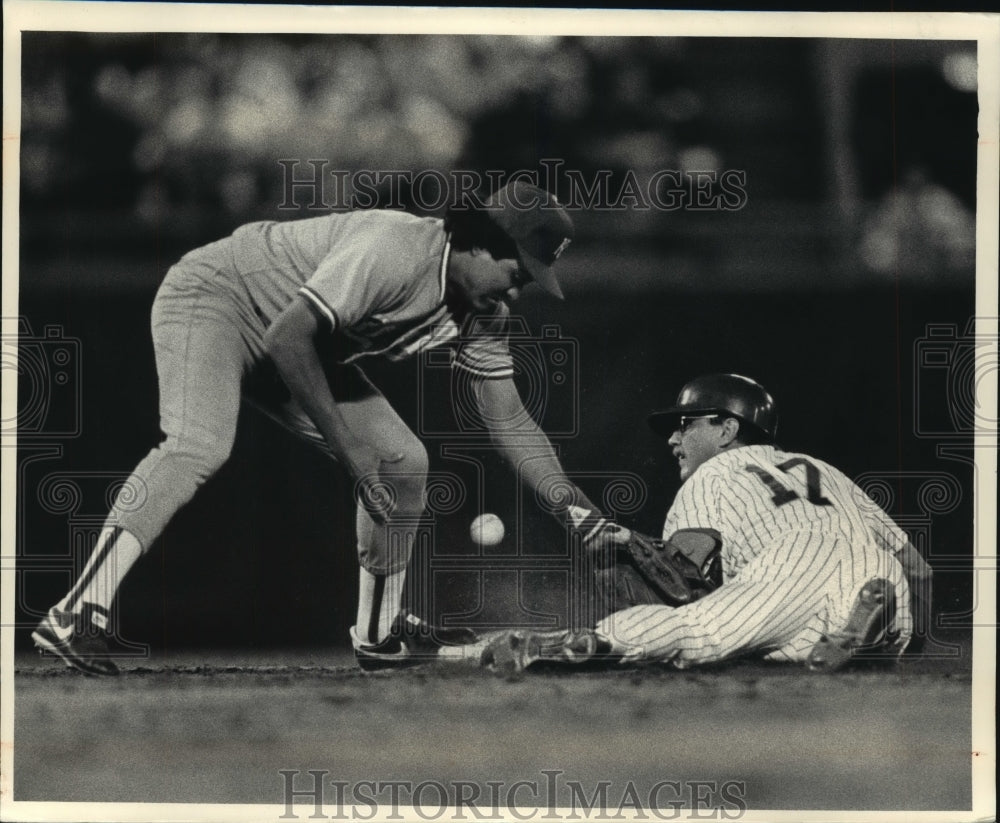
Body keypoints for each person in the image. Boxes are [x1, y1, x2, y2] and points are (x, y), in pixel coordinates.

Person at [32, 180, 610, 675]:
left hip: (295, 341)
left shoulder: (485, 314)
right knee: (197, 444)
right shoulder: (396, 247)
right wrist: (349, 450)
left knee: (405, 461)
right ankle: (78, 610)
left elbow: (508, 418)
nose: (517, 289)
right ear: (483, 239)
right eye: (517, 271)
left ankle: (378, 636)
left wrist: (579, 514)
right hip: (217, 296)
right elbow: (289, 334)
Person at [480, 373, 934, 674]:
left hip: (793, 564)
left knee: (700, 633)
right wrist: (916, 644)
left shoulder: (714, 473)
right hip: (876, 570)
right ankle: (870, 628)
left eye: (685, 424)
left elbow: (682, 574)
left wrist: (631, 546)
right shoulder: (827, 469)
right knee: (791, 648)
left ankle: (585, 643)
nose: (674, 439)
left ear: (726, 430)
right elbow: (918, 570)